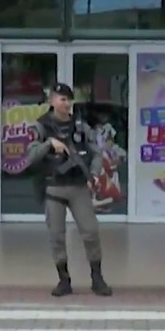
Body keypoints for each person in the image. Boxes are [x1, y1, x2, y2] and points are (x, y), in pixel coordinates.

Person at [26, 83, 112, 297]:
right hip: (53, 188)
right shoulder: (40, 126)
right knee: (56, 235)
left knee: (91, 231)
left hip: (77, 186)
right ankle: (63, 280)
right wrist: (49, 144)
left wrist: (93, 173)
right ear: (52, 101)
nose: (66, 103)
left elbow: (97, 153)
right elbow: (30, 156)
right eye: (61, 99)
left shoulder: (81, 126)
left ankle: (97, 277)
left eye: (68, 99)